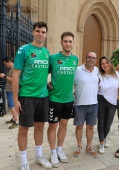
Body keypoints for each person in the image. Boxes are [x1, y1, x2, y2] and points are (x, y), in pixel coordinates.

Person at [12, 22, 52, 170]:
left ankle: (39, 155)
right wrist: (15, 99)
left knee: (40, 126)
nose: (40, 34)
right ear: (33, 32)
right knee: (23, 129)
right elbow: (16, 75)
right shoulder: (24, 50)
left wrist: (48, 85)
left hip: (43, 96)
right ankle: (23, 161)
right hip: (26, 96)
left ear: (46, 34)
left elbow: (44, 74)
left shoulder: (47, 53)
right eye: (37, 31)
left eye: (43, 32)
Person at [47, 32, 78, 166]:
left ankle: (60, 149)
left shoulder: (75, 59)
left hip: (68, 99)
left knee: (64, 125)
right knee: (53, 126)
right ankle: (53, 151)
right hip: (54, 99)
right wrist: (46, 84)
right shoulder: (53, 58)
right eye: (65, 41)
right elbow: (43, 73)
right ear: (61, 42)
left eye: (70, 41)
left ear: (73, 43)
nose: (68, 44)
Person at [97, 56, 119, 154]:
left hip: (113, 103)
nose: (105, 65)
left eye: (106, 63)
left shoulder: (118, 74)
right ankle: (101, 142)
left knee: (108, 123)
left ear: (110, 63)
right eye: (102, 64)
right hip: (101, 100)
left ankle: (105, 137)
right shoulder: (98, 75)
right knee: (101, 122)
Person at [0, 57, 19, 129]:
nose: (5, 66)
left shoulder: (14, 68)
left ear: (10, 62)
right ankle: (14, 119)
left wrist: (4, 76)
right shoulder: (11, 69)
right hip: (10, 90)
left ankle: (16, 121)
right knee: (12, 106)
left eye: (6, 64)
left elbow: (13, 79)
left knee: (12, 106)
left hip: (11, 90)